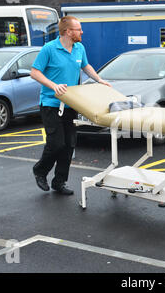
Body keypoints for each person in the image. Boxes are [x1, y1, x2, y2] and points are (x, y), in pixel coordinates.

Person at [31, 15, 111, 195]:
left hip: (71, 104)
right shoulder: (49, 49)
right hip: (51, 104)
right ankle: (40, 171)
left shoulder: (79, 48)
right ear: (68, 32)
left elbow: (85, 66)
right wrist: (53, 86)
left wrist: (99, 80)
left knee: (69, 145)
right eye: (79, 29)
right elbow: (35, 72)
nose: (82, 32)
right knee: (56, 143)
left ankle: (59, 182)